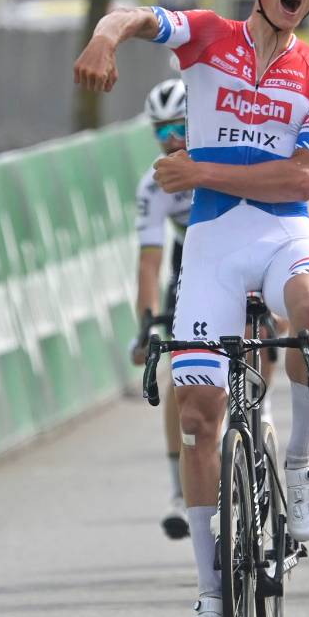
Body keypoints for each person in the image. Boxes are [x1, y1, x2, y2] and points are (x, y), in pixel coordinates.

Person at [73, 0, 309, 617]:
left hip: (284, 232)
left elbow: (302, 180)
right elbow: (135, 16)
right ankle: (209, 596)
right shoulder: (207, 36)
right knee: (198, 417)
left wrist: (199, 171)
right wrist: (104, 39)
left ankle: (299, 458)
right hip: (217, 248)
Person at [129, 79, 193, 540]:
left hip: (238, 253)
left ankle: (262, 408)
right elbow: (149, 265)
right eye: (161, 130)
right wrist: (147, 325)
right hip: (187, 264)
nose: (170, 138)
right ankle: (179, 491)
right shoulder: (154, 184)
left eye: (181, 126)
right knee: (178, 375)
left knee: (261, 346)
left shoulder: (226, 163)